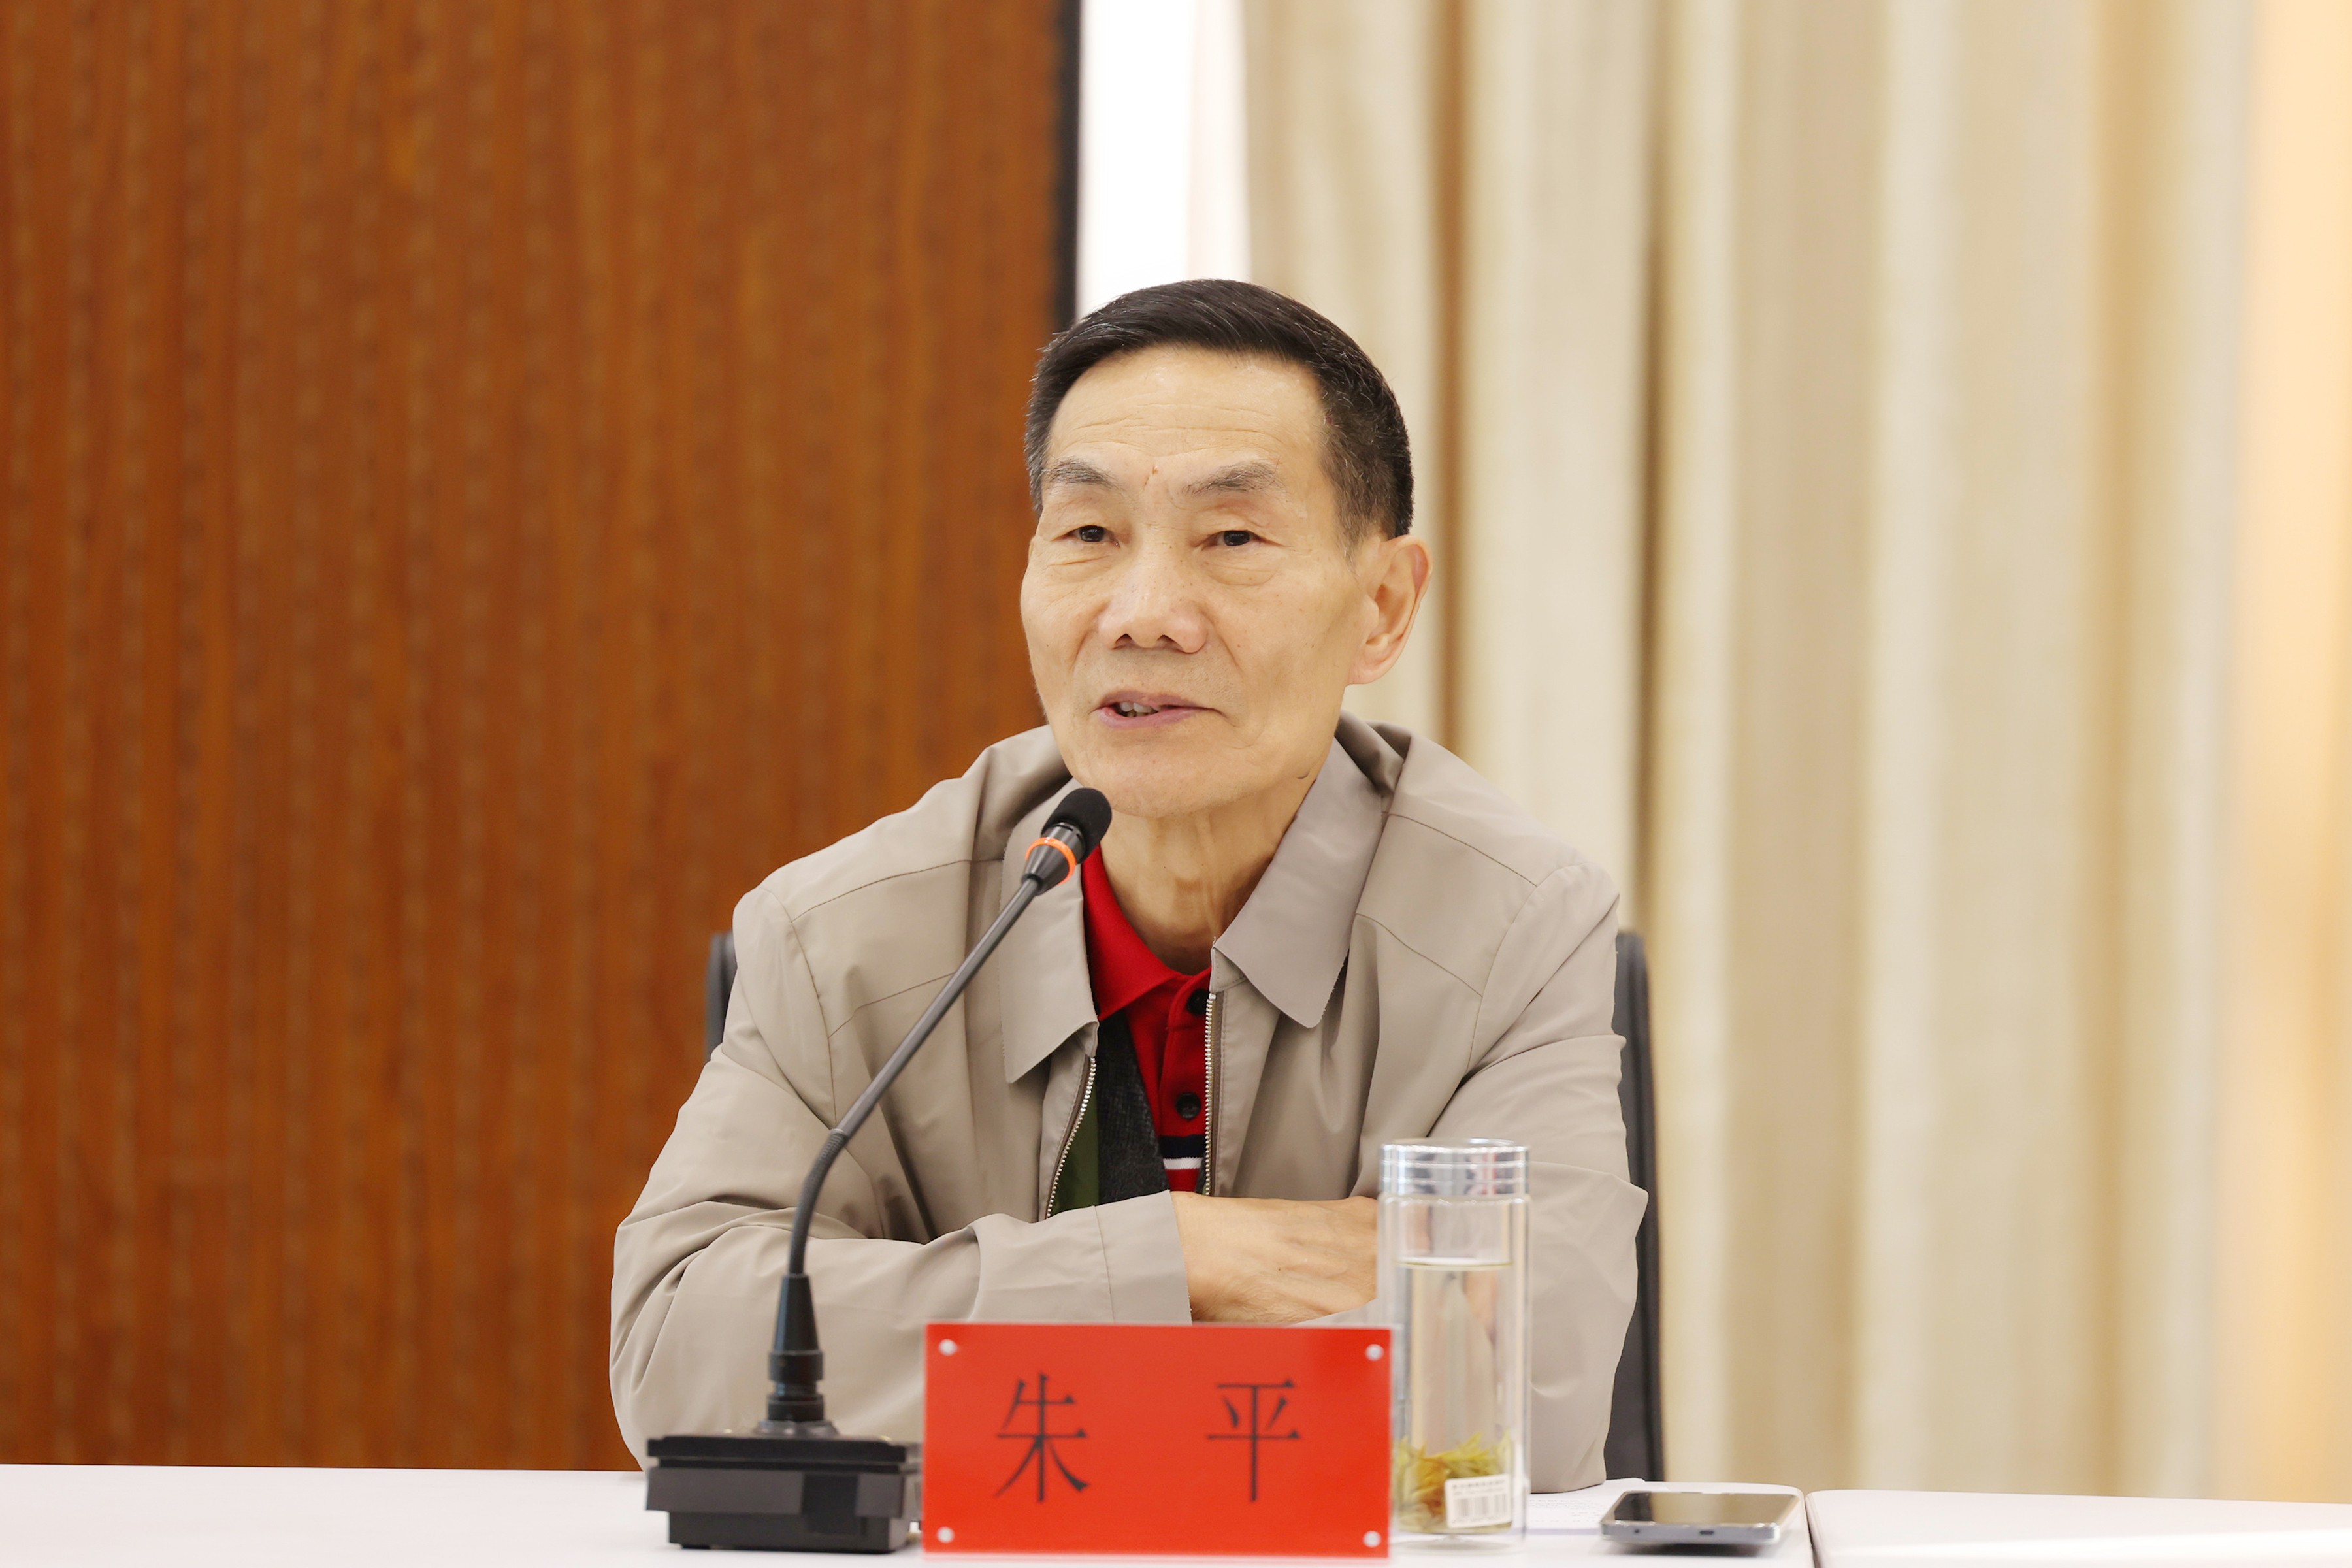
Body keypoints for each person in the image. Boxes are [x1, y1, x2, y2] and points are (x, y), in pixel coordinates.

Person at [609, 279, 1643, 1489]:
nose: (1143, 615)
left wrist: (953, 1341)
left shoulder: (1514, 928)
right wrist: (1182, 1259)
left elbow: (1519, 1395)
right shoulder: (842, 934)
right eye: (1089, 535)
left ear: (1381, 606)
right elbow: (681, 1350)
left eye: (1232, 540)